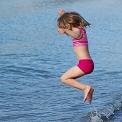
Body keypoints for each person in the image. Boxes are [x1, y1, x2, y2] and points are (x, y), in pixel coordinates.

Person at [57, 9, 94, 103]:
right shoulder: (81, 30)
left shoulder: (77, 32)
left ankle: (86, 88)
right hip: (86, 64)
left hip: (85, 64)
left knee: (64, 78)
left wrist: (64, 27)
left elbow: (70, 32)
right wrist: (62, 16)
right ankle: (88, 90)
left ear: (69, 24)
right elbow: (60, 30)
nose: (63, 27)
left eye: (64, 25)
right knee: (67, 79)